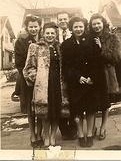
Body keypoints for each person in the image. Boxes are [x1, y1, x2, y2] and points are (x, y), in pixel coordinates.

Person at [23, 22, 62, 147]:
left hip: (57, 84)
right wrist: (35, 78)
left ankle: (52, 136)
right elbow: (29, 67)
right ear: (43, 34)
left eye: (52, 33)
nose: (50, 35)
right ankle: (45, 136)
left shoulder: (60, 47)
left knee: (56, 111)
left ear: (56, 35)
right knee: (45, 112)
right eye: (47, 33)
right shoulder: (35, 47)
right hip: (43, 84)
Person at [61, 16, 97, 147]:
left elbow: (96, 61)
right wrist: (78, 77)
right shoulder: (66, 44)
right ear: (71, 28)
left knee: (90, 109)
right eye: (75, 26)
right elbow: (65, 66)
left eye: (81, 26)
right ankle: (81, 134)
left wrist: (91, 77)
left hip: (90, 81)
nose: (78, 29)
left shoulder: (91, 41)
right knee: (78, 110)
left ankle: (89, 134)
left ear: (84, 27)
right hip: (75, 82)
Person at [88, 13, 121, 140]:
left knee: (105, 102)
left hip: (107, 74)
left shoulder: (112, 38)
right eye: (94, 24)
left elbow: (116, 58)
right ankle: (93, 127)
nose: (96, 26)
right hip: (93, 74)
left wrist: (101, 48)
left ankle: (103, 127)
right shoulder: (88, 38)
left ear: (103, 24)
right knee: (93, 101)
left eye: (98, 23)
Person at [15, 15, 43, 147]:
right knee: (31, 110)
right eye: (30, 26)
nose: (33, 29)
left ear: (39, 26)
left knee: (42, 106)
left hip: (43, 79)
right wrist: (31, 75)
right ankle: (33, 135)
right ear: (27, 27)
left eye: (35, 26)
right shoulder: (21, 42)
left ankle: (40, 133)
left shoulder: (44, 39)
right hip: (28, 80)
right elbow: (19, 64)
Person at [57, 12, 77, 140]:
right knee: (60, 102)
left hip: (73, 72)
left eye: (65, 19)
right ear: (57, 21)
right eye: (60, 19)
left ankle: (74, 128)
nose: (63, 21)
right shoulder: (53, 34)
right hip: (58, 74)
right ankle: (64, 130)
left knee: (74, 101)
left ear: (68, 20)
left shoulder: (74, 33)